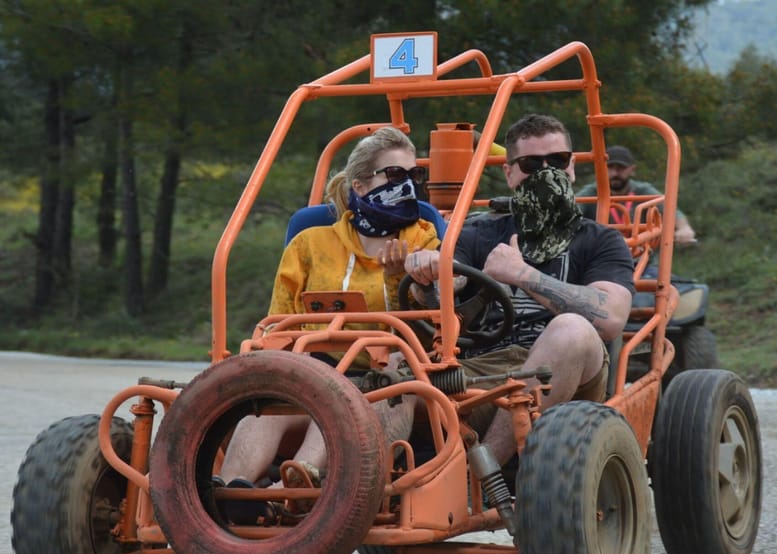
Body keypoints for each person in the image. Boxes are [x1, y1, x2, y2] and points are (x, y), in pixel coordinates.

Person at [215, 126, 440, 521]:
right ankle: (231, 493)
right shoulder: (310, 243)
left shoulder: (423, 241)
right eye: (395, 175)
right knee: (266, 406)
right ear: (360, 184)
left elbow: (432, 330)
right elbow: (278, 322)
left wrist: (396, 277)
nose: (407, 186)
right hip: (313, 367)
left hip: (385, 374)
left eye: (414, 176)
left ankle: (291, 493)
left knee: (334, 399)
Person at [405, 114, 636, 466]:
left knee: (570, 329)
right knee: (393, 374)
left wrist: (522, 274)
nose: (546, 173)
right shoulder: (476, 234)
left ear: (572, 167)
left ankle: (481, 477)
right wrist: (426, 277)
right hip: (482, 371)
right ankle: (345, 495)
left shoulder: (600, 240)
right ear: (510, 172)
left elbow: (611, 319)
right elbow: (443, 297)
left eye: (557, 161)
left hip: (569, 379)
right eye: (531, 164)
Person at [577, 144, 697, 245]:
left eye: (621, 168)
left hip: (641, 262)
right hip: (603, 262)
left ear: (632, 170)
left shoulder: (643, 191)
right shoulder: (591, 193)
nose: (615, 173)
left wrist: (684, 228)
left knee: (666, 274)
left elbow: (670, 210)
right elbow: (571, 209)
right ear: (600, 169)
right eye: (610, 167)